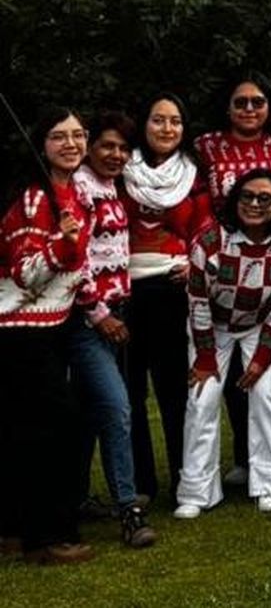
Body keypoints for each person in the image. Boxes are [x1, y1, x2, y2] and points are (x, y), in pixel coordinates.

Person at [194, 74, 271, 481]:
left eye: (257, 101)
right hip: (224, 266)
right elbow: (198, 205)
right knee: (229, 375)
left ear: (270, 105)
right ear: (227, 107)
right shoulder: (208, 146)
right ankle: (246, 457)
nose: (249, 109)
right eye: (240, 102)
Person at [174, 169, 271, 518]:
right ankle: (197, 491)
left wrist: (261, 359)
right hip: (212, 326)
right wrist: (204, 357)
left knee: (266, 393)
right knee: (202, 398)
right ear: (235, 200)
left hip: (259, 326)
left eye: (265, 198)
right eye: (247, 196)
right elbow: (197, 302)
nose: (255, 204)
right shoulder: (210, 242)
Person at [0, 107, 94, 564]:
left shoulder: (74, 193)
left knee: (23, 430)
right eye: (59, 137)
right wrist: (63, 245)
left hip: (50, 326)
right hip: (20, 329)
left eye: (78, 135)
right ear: (42, 146)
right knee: (56, 430)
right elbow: (25, 272)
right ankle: (50, 536)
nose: (71, 144)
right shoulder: (36, 199)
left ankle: (15, 528)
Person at [69, 111, 156, 547]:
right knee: (117, 409)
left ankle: (77, 498)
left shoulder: (110, 188)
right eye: (107, 146)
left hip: (116, 309)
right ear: (89, 147)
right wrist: (99, 313)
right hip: (90, 321)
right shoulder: (80, 189)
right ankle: (129, 510)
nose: (116, 154)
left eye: (123, 148)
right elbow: (75, 260)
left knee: (90, 411)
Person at [121, 92, 211, 504]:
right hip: (125, 290)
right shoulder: (121, 171)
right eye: (158, 120)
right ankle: (140, 483)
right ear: (144, 124)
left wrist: (196, 265)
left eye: (175, 121)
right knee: (130, 392)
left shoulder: (194, 175)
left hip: (174, 290)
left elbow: (208, 230)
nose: (167, 128)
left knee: (175, 390)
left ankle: (184, 476)